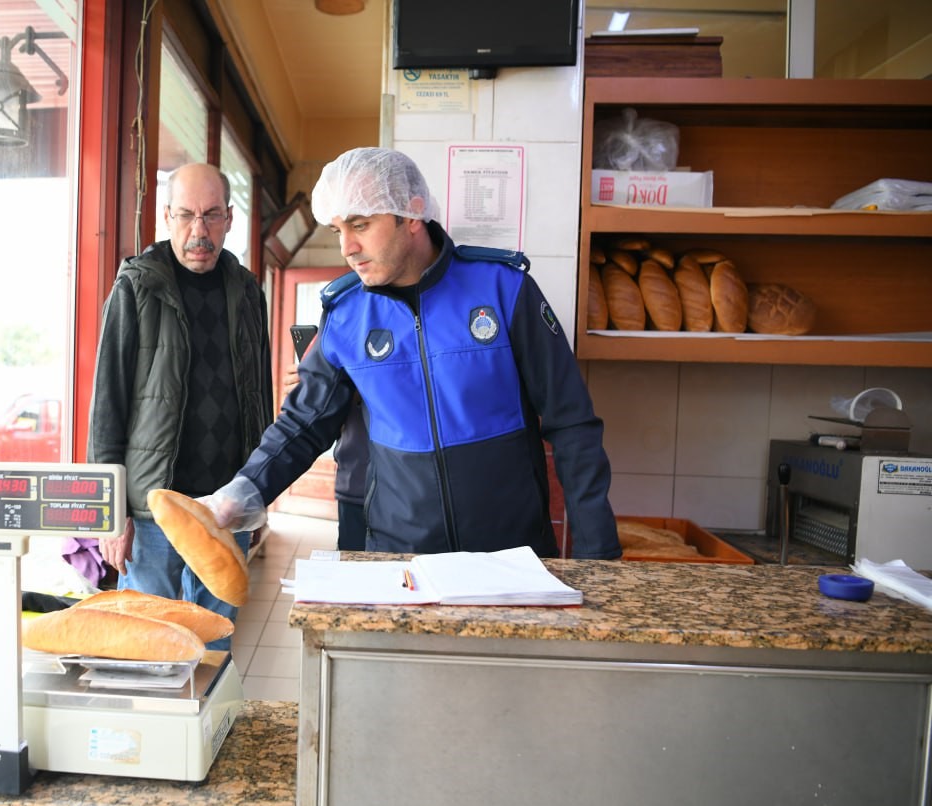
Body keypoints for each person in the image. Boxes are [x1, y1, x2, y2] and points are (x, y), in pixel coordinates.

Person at [204, 147, 620, 559]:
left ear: (413, 213)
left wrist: (597, 554)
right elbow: (303, 422)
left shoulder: (503, 290)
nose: (347, 247)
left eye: (360, 224)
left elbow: (572, 423)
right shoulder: (346, 315)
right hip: (399, 561)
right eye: (337, 231)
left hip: (513, 555)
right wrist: (244, 490)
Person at [87, 162, 273, 646]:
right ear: (167, 216)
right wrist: (111, 513)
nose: (199, 230)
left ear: (229, 218)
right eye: (187, 215)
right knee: (150, 648)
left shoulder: (248, 292)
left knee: (216, 644)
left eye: (211, 215)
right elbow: (107, 405)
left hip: (226, 506)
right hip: (152, 509)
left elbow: (259, 395)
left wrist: (259, 497)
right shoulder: (136, 288)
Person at [281, 361, 368, 551]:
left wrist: (342, 388)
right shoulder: (338, 341)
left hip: (411, 488)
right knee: (353, 563)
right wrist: (310, 395)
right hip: (354, 481)